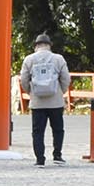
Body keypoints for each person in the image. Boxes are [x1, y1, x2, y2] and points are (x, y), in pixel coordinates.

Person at [18, 34, 70, 166]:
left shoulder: (29, 59)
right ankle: (57, 155)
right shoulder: (58, 59)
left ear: (36, 46)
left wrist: (31, 92)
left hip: (37, 102)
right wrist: (60, 91)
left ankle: (40, 159)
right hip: (56, 102)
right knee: (58, 129)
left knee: (37, 131)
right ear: (49, 45)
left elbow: (24, 80)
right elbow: (66, 79)